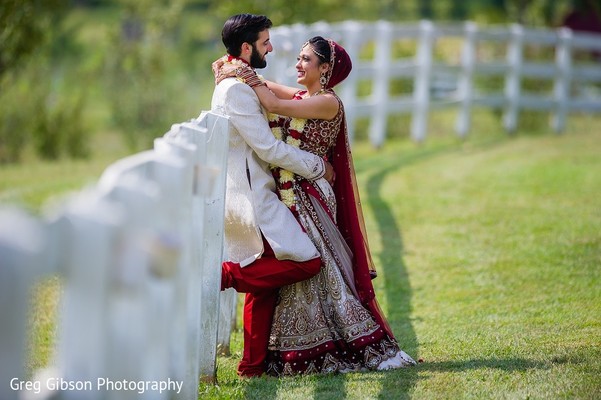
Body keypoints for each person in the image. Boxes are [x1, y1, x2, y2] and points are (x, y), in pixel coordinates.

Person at [213, 36, 417, 375]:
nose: (298, 64)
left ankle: (315, 340)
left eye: (306, 60)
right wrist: (233, 66)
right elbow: (267, 86)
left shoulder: (328, 103)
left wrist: (240, 72)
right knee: (277, 268)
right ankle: (259, 360)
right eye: (299, 58)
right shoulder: (304, 96)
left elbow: (273, 103)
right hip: (284, 194)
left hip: (310, 196)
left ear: (326, 69)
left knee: (312, 265)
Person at [212, 14, 336, 378]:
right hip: (253, 196)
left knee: (263, 287)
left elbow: (274, 94)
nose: (272, 47)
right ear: (247, 47)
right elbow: (266, 148)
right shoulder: (235, 87)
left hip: (257, 191)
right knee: (307, 262)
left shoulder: (240, 77)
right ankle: (226, 275)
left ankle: (251, 366)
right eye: (266, 42)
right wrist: (316, 166)